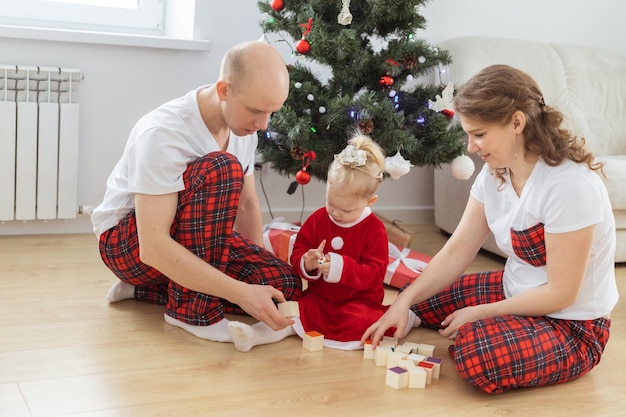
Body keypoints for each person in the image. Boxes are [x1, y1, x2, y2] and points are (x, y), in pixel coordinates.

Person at [361, 64, 619, 394]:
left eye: (479, 134)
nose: (471, 147)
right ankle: (495, 326)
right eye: (469, 135)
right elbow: (457, 250)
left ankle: (498, 330)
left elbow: (561, 294)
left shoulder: (569, 185)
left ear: (517, 122)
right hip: (514, 290)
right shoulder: (495, 173)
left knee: (475, 352)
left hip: (571, 325)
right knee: (415, 298)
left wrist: (480, 313)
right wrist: (405, 301)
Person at [91, 41, 302, 343]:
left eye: (271, 113)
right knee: (222, 168)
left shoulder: (244, 128)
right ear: (224, 90)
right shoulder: (163, 134)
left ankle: (148, 292)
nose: (262, 124)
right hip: (128, 247)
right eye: (256, 111)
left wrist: (253, 269)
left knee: (284, 285)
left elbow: (247, 207)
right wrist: (241, 292)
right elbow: (153, 247)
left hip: (195, 241)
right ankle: (190, 312)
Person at [228, 134, 421, 352]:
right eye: (330, 203)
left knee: (369, 323)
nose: (336, 214)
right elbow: (299, 252)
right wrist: (307, 262)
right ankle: (254, 335)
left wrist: (340, 267)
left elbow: (374, 273)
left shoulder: (374, 229)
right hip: (320, 298)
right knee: (293, 311)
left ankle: (408, 318)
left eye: (346, 210)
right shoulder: (319, 218)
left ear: (370, 201)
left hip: (358, 303)